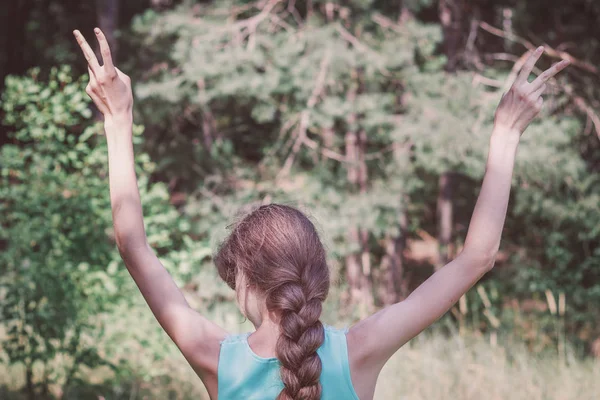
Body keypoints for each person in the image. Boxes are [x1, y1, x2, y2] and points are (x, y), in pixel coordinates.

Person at [73, 27, 569, 400]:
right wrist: (505, 135)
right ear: (318, 277)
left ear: (246, 278)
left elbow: (132, 244)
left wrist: (119, 119)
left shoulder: (217, 360)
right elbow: (476, 258)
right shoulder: (359, 351)